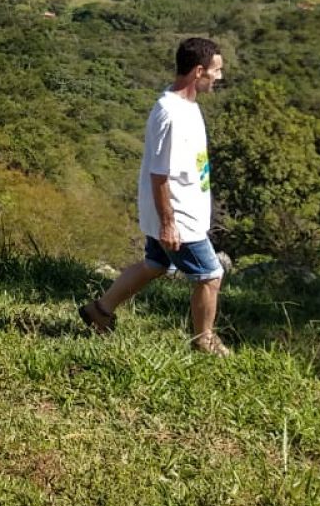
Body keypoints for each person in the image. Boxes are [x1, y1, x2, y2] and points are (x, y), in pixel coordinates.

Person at [80, 37, 230, 355]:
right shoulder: (172, 114)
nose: (219, 76)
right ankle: (204, 340)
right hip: (177, 216)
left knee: (155, 264)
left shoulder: (185, 107)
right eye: (216, 70)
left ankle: (100, 311)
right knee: (210, 275)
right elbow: (160, 174)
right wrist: (168, 223)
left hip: (175, 211)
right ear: (198, 71)